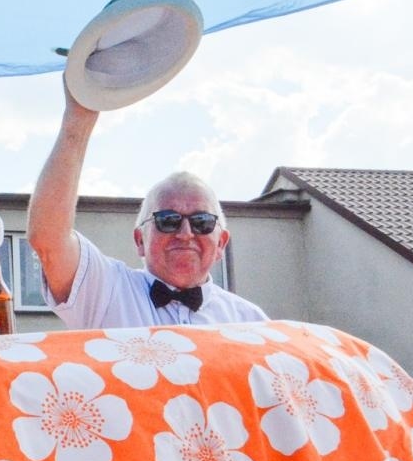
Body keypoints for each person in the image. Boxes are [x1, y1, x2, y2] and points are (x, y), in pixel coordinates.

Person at [26, 88, 266, 330]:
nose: (185, 233)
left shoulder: (252, 324)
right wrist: (80, 115)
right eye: (167, 220)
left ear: (221, 244)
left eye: (202, 222)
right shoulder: (107, 292)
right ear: (140, 239)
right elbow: (48, 239)